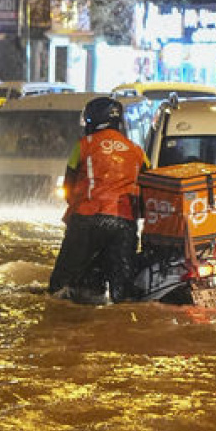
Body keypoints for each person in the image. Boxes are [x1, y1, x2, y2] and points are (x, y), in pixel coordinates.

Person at [48, 97, 149, 304]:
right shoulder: (137, 150)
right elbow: (150, 187)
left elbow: (68, 186)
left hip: (87, 219)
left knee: (59, 287)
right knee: (123, 294)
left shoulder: (84, 145)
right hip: (124, 223)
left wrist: (76, 209)